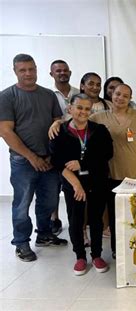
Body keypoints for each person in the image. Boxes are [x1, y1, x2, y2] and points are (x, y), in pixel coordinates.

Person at [0, 54, 67, 262]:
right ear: (15, 71)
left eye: (31, 69)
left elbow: (58, 120)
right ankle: (21, 243)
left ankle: (45, 234)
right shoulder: (7, 96)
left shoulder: (48, 95)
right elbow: (5, 131)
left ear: (37, 69)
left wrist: (49, 154)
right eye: (23, 70)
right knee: (22, 204)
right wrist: (31, 157)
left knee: (48, 201)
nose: (28, 73)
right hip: (23, 161)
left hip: (48, 159)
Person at [90, 84, 136, 257]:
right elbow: (77, 121)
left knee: (132, 215)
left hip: (133, 175)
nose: (120, 98)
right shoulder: (99, 117)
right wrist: (57, 123)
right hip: (109, 173)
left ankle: (131, 247)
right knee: (114, 214)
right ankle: (116, 249)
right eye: (117, 94)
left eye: (125, 96)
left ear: (130, 98)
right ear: (111, 95)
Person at [50, 93, 113, 275]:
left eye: (87, 109)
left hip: (97, 181)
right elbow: (57, 161)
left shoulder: (99, 130)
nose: (83, 112)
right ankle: (79, 256)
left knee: (96, 220)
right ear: (70, 109)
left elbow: (107, 154)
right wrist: (76, 184)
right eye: (79, 107)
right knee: (76, 220)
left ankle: (97, 255)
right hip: (72, 183)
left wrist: (83, 164)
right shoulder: (59, 132)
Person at [49, 59, 80, 235]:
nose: (62, 73)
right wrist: (57, 123)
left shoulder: (78, 92)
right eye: (58, 70)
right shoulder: (48, 94)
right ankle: (54, 218)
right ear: (51, 74)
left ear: (70, 72)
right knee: (54, 186)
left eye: (65, 70)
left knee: (75, 184)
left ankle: (80, 223)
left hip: (77, 143)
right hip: (58, 142)